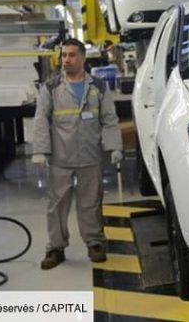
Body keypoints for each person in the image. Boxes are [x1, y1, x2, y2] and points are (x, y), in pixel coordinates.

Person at [33, 38, 123, 269]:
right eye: (63, 55)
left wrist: (114, 147)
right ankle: (56, 247)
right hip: (60, 157)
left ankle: (94, 242)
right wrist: (41, 150)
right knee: (57, 204)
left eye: (72, 55)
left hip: (90, 155)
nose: (66, 60)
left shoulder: (99, 87)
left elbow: (109, 119)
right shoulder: (51, 87)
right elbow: (41, 119)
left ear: (83, 57)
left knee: (91, 201)